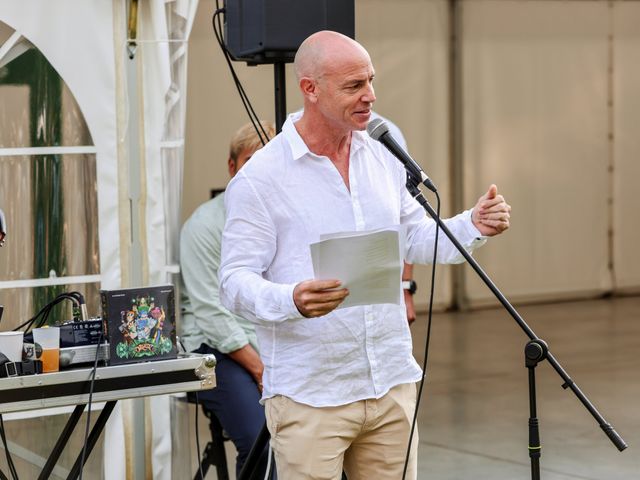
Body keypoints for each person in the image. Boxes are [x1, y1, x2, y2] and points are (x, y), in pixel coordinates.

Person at [219, 31, 511, 480]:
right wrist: (290, 299)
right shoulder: (261, 178)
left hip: (391, 381)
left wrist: (472, 224)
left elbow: (412, 235)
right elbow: (234, 282)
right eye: (354, 86)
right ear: (310, 89)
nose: (370, 96)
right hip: (311, 395)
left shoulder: (383, 148)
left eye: (371, 81)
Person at [179, 120, 276, 477]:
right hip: (216, 350)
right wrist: (262, 369)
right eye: (251, 162)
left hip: (268, 342)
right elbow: (213, 315)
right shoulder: (203, 227)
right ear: (232, 166)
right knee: (260, 440)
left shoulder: (283, 218)